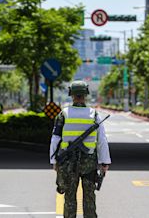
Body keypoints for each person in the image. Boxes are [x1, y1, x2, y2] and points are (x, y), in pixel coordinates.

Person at [50, 81, 111, 218]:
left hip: (68, 163)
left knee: (70, 197)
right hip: (89, 163)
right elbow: (102, 141)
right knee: (89, 198)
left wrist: (54, 161)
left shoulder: (63, 114)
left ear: (71, 94)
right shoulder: (94, 114)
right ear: (86, 95)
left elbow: (55, 139)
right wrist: (104, 162)